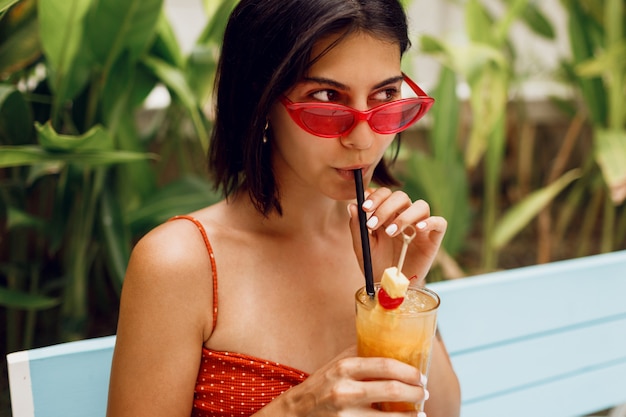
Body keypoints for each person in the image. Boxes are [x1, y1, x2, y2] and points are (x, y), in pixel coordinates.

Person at [106, 0, 461, 416]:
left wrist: (399, 294)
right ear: (261, 98)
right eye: (328, 97)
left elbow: (444, 411)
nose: (363, 139)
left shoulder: (381, 242)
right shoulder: (180, 264)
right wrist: (296, 409)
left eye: (385, 93)